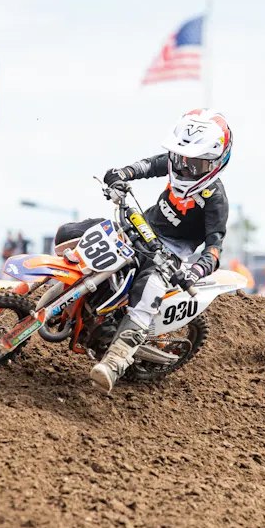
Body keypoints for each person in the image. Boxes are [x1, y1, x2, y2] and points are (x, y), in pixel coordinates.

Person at [59, 108, 232, 392]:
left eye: (195, 164)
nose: (184, 168)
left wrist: (194, 271)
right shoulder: (176, 163)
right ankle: (69, 298)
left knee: (148, 290)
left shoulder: (215, 199)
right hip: (141, 225)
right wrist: (120, 175)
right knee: (72, 233)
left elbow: (214, 249)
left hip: (168, 254)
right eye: (180, 158)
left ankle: (115, 362)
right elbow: (145, 166)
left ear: (215, 163)